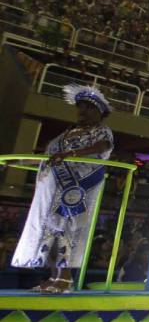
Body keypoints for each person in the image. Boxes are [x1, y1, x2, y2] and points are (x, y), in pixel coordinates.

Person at [10, 84, 114, 293]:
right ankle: (52, 277)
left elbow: (102, 147)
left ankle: (65, 279)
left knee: (68, 230)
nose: (82, 111)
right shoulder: (66, 133)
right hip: (54, 187)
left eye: (88, 107)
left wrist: (73, 154)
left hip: (78, 187)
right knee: (50, 230)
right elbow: (49, 157)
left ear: (99, 112)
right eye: (80, 106)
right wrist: (20, 161)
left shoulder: (101, 131)